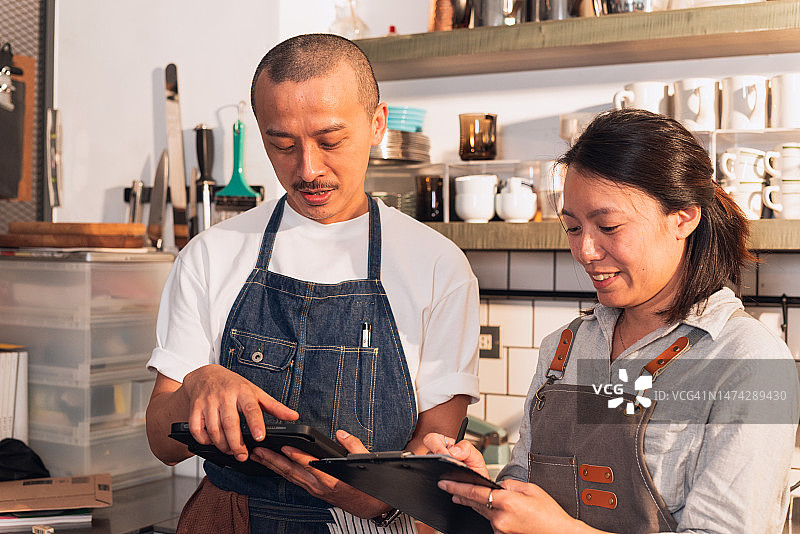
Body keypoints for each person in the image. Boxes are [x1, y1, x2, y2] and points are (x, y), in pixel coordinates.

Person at [144, 33, 480, 533]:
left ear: (377, 124)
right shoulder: (211, 254)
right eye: (282, 144)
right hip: (230, 517)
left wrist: (367, 498)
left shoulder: (438, 266)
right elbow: (162, 443)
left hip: (371, 523)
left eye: (330, 141)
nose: (308, 168)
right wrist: (197, 384)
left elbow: (434, 448)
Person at [425, 108, 800, 534]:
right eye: (571, 228)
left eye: (608, 225)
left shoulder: (746, 361)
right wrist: (487, 492)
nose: (585, 251)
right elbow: (528, 496)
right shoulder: (564, 347)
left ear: (683, 217)